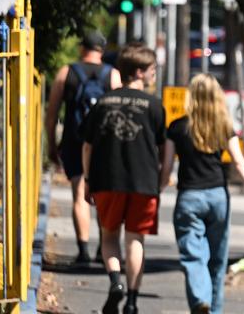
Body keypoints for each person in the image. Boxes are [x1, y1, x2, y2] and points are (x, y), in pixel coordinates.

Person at [163, 74, 244, 314]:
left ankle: (200, 300)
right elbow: (239, 162)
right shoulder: (224, 127)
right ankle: (214, 310)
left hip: (189, 196)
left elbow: (166, 167)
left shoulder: (177, 127)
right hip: (218, 196)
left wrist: (157, 189)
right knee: (218, 259)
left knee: (193, 256)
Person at [81, 44, 167, 314]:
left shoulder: (104, 102)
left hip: (108, 179)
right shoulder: (155, 106)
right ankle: (131, 301)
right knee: (135, 240)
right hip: (144, 182)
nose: (154, 74)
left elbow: (87, 146)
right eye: (152, 69)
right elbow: (164, 149)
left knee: (109, 237)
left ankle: (115, 281)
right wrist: (161, 181)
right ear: (139, 72)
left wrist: (87, 179)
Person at [45, 30, 121, 266]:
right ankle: (104, 248)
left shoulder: (66, 72)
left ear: (82, 48)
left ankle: (83, 251)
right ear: (102, 50)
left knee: (79, 194)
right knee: (103, 196)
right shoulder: (113, 75)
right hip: (104, 144)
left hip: (75, 140)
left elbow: (52, 114)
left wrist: (51, 145)